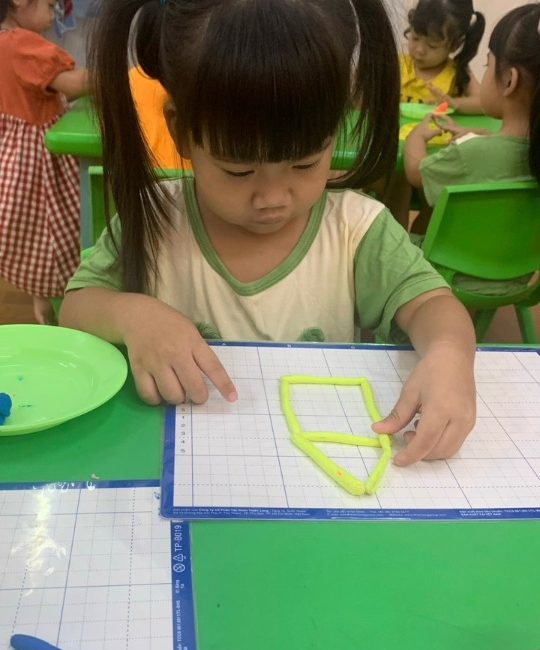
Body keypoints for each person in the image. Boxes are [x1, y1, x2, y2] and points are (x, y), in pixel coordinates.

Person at [60, 0, 477, 467]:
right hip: (187, 463)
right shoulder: (156, 218)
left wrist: (450, 355)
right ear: (181, 131)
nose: (273, 198)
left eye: (305, 163)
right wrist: (131, 315)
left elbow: (432, 304)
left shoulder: (356, 229)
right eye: (239, 171)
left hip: (315, 470)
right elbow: (75, 307)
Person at [405, 3, 540, 235]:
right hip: (516, 259)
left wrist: (415, 137)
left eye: (488, 64)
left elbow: (416, 173)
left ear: (510, 81)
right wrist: (483, 135)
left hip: (449, 259)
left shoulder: (468, 155)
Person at [0, 0, 88, 324]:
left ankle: (44, 306)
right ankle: (66, 312)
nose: (55, 12)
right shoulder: (21, 44)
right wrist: (123, 74)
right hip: (40, 162)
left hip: (13, 159)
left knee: (36, 236)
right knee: (58, 231)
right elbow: (75, 84)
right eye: (50, 5)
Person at [401, 0, 485, 114]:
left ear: (455, 45)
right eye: (415, 38)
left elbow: (484, 103)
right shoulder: (397, 65)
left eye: (432, 46)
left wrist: (454, 103)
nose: (419, 50)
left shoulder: (458, 72)